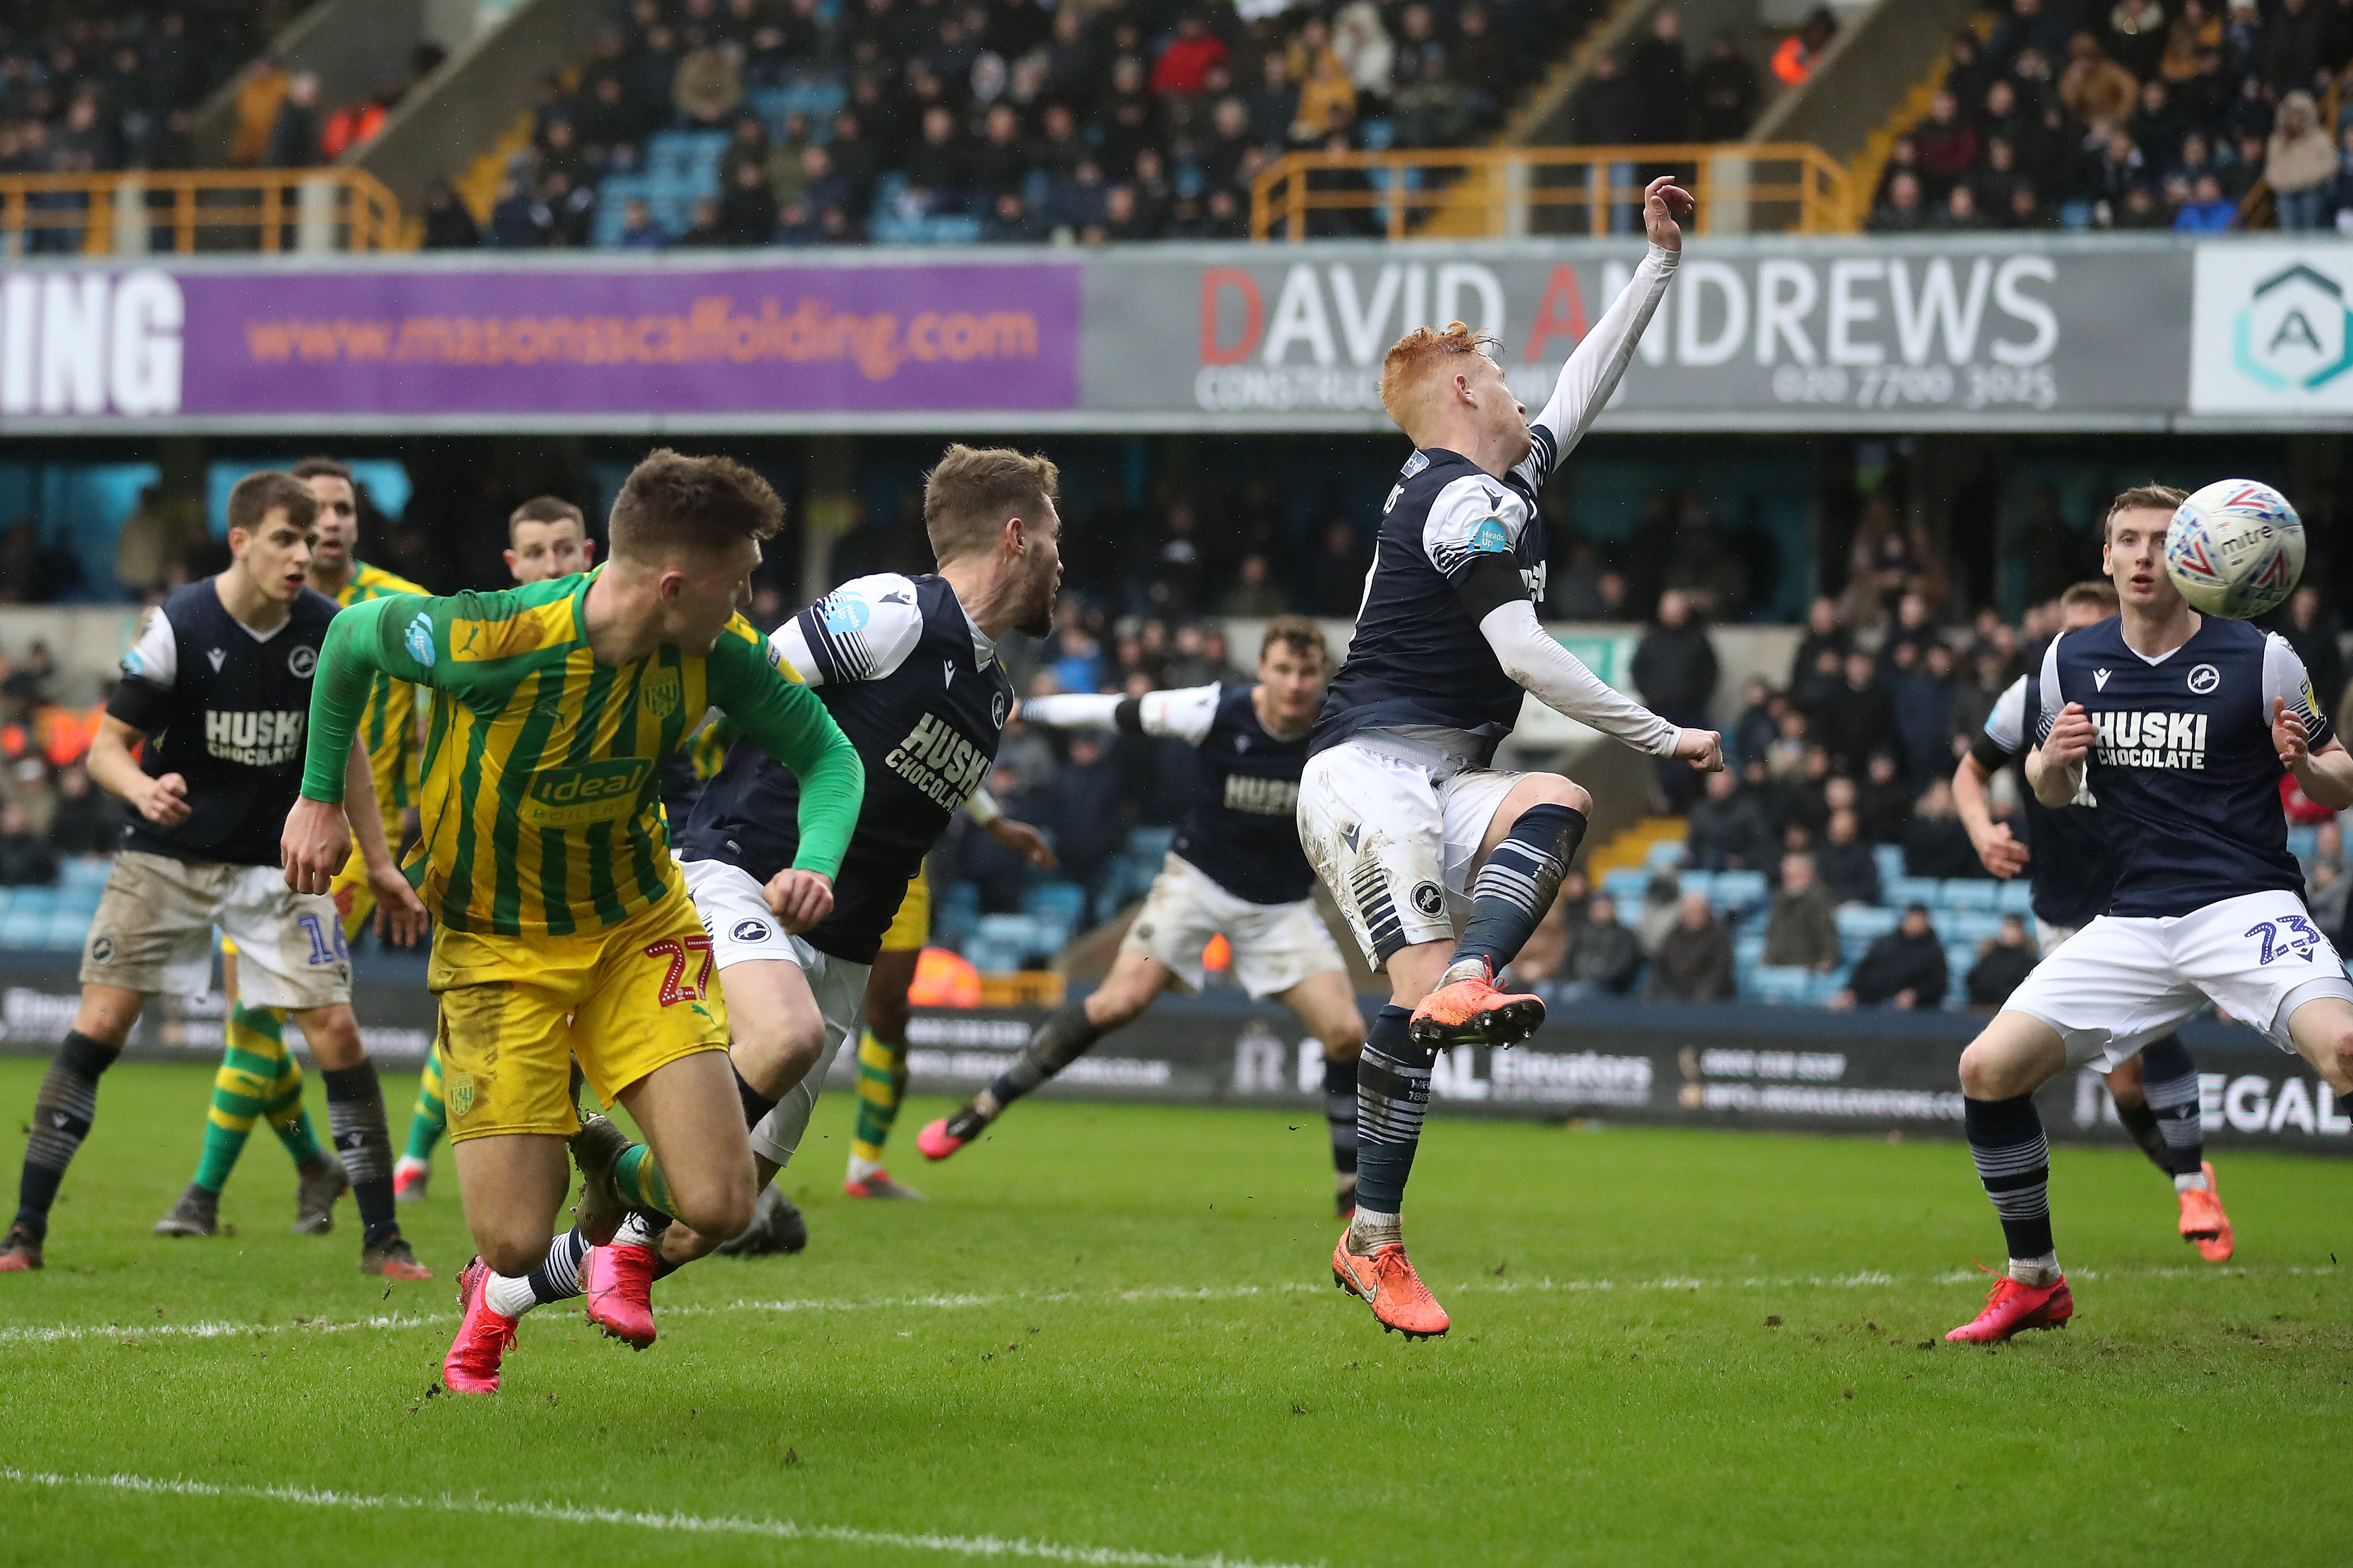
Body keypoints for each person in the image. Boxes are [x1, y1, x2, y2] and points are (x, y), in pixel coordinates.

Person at [279, 451, 866, 1392]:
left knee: (720, 1204)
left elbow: (830, 759)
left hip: (637, 929)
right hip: (495, 949)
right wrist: (318, 801)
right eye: (740, 581)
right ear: (674, 584)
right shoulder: (494, 636)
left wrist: (815, 861)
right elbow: (349, 640)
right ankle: (592, 1156)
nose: (749, 601)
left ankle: (599, 1156)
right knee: (512, 1240)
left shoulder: (713, 653)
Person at [476, 446, 1059, 1350]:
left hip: (845, 946)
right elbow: (736, 680)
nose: (1064, 560)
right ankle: (597, 1191)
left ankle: (504, 1294)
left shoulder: (990, 693)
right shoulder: (893, 612)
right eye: (1054, 538)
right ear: (1016, 537)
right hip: (741, 874)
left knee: (714, 1212)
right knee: (765, 1059)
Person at [1294, 175, 1721, 1338]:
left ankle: (1465, 996)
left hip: (1445, 770)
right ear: (1466, 387)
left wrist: (1661, 264)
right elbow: (1524, 652)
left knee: (1557, 798)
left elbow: (1589, 377)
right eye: (1504, 369)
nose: (1528, 386)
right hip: (1368, 767)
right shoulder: (1451, 503)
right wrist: (1662, 731)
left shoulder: (1507, 477)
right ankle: (1372, 1236)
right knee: (1418, 991)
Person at [1945, 483, 2353, 1344]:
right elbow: (2050, 791)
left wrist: (2307, 770)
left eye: (2159, 540)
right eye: (2124, 539)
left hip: (2247, 905)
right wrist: (2050, 765)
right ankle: (2035, 1281)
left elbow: (2338, 771)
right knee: (1986, 1070)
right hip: (2133, 918)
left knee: (2346, 1049)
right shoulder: (2068, 659)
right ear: (2105, 557)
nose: (2139, 554)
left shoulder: (2262, 658)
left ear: (2193, 555)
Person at [1, 473, 430, 1277]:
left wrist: (378, 862)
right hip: (166, 855)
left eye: (311, 541)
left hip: (277, 863)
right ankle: (24, 1234)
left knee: (335, 1032)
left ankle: (383, 1240)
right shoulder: (180, 624)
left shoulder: (326, 630)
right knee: (100, 1028)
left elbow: (354, 760)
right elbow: (104, 748)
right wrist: (141, 787)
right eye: (284, 539)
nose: (303, 555)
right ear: (241, 541)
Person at [920, 619, 1371, 1214]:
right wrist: (1031, 710)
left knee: (1346, 1033)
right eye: (1282, 669)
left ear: (1321, 677)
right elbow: (1118, 711)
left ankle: (1350, 1195)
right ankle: (981, 1108)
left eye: (1306, 672)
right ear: (1262, 669)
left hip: (1281, 906)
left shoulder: (1336, 733)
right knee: (1115, 1004)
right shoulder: (1215, 709)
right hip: (1196, 884)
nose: (1293, 683)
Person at [154, 457, 436, 1240]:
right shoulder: (263, 610)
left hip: (342, 846)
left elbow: (435, 710)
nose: (332, 525)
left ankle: (204, 1194)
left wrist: (413, 818)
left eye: (342, 510)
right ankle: (314, 1163)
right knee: (264, 1020)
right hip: (259, 844)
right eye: (316, 516)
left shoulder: (400, 607)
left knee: (257, 1021)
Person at [1953, 569, 2227, 1258]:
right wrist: (1982, 830)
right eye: (2063, 634)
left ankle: (2191, 1180)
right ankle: (2187, 1176)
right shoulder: (2029, 698)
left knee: (2150, 1042)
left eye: (2088, 632)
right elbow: (1968, 772)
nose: (2074, 646)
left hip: (2145, 900)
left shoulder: (2156, 694)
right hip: (2059, 911)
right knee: (2124, 1083)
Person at [390, 495, 602, 1204]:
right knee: (478, 1030)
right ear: (512, 565)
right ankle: (418, 1158)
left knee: (564, 1043)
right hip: (488, 878)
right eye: (536, 552)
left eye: (563, 549)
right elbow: (437, 754)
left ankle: (579, 1166)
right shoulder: (476, 644)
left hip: (590, 880)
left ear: (588, 555)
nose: (551, 563)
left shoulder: (617, 643)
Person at [1832, 903, 1947, 1009]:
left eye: (1919, 920)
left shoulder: (1933, 951)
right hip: (1870, 1002)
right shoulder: (1885, 943)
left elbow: (1938, 984)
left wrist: (1916, 995)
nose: (1914, 924)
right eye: (1912, 919)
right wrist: (1852, 991)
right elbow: (1864, 970)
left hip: (1910, 1010)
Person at [1647, 890, 1732, 1000]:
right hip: (1676, 996)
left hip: (1710, 999)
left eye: (1697, 912)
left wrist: (1699, 999)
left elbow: (1719, 973)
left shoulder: (1719, 937)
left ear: (1706, 912)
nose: (1693, 916)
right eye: (1689, 912)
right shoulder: (1673, 936)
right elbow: (1662, 969)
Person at [1761, 851, 1839, 971]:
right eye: (1787, 876)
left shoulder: (1818, 900)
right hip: (1778, 966)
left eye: (1795, 875)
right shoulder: (1781, 898)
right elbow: (1772, 935)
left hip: (1806, 968)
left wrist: (1825, 964)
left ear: (1809, 875)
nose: (1790, 881)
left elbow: (1827, 938)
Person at [1966, 914, 2038, 1007]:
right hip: (1981, 1007)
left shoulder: (2029, 960)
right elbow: (1973, 979)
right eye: (2008, 927)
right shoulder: (1990, 955)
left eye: (2014, 928)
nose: (2010, 933)